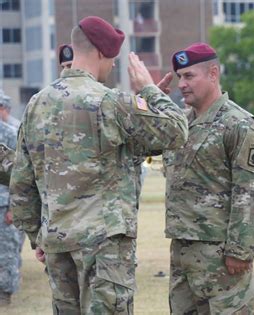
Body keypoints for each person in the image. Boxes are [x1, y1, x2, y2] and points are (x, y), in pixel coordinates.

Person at [10, 15, 188, 314]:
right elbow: (177, 130)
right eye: (113, 58)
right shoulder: (110, 102)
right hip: (104, 245)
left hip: (57, 242)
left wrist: (37, 236)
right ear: (102, 53)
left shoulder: (36, 105)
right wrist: (147, 89)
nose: (114, 65)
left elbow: (21, 184)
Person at [163, 42, 254, 314]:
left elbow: (251, 192)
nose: (182, 84)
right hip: (183, 252)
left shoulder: (238, 123)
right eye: (179, 77)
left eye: (189, 76)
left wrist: (240, 250)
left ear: (212, 73)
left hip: (221, 256)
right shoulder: (182, 125)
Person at [0, 118, 21, 306]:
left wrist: (13, 207)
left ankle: (4, 293)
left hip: (3, 204)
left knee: (6, 251)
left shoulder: (8, 132)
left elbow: (19, 174)